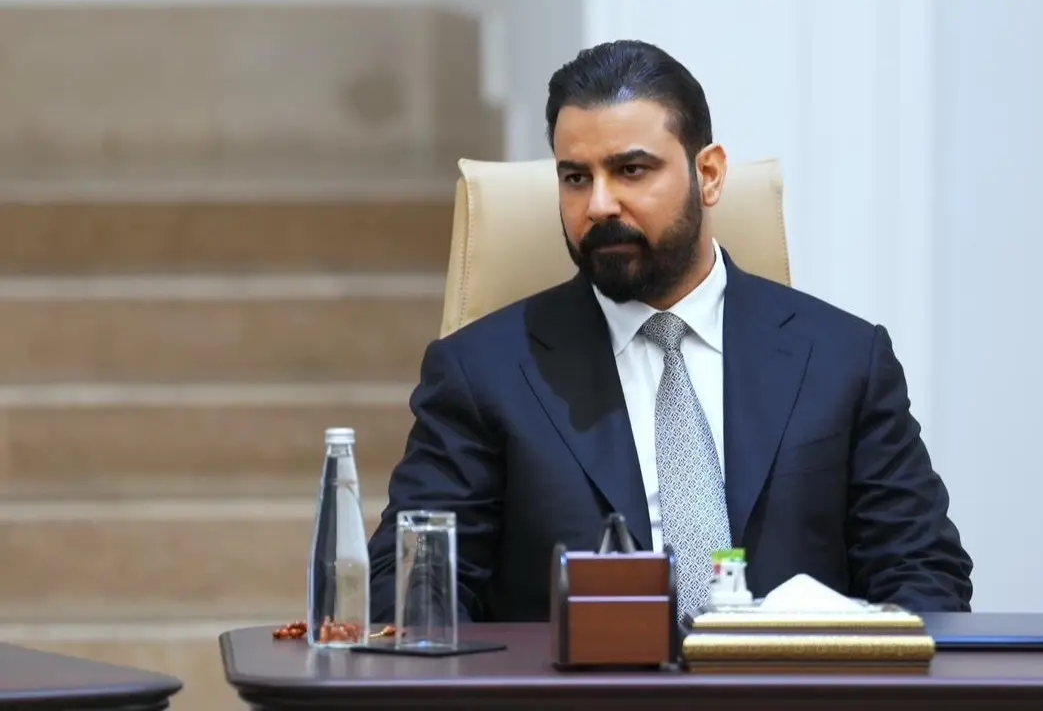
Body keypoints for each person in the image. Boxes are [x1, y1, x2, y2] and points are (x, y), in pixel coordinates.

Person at [367, 39, 973, 623]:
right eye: (575, 178)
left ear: (708, 175)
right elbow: (410, 589)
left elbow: (925, 574)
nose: (599, 205)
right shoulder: (484, 374)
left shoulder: (842, 360)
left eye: (631, 170)